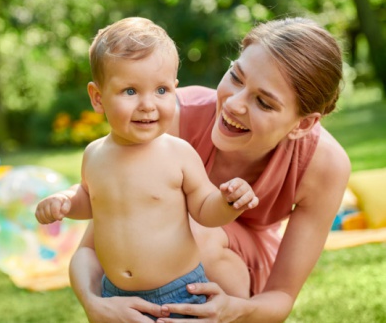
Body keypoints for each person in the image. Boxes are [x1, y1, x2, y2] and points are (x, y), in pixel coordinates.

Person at [65, 17, 351, 322]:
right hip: (157, 276)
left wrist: (235, 310)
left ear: (303, 124)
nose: (234, 104)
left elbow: (280, 297)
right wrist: (94, 303)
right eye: (236, 77)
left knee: (199, 229)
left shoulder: (324, 164)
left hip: (243, 269)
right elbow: (95, 244)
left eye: (264, 103)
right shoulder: (164, 121)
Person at [35, 17, 259, 319]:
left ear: (175, 90)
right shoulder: (95, 154)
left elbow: (206, 209)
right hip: (114, 292)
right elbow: (90, 200)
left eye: (161, 90)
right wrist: (65, 200)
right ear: (98, 98)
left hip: (179, 293)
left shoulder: (177, 153)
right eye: (130, 91)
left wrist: (228, 202)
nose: (148, 104)